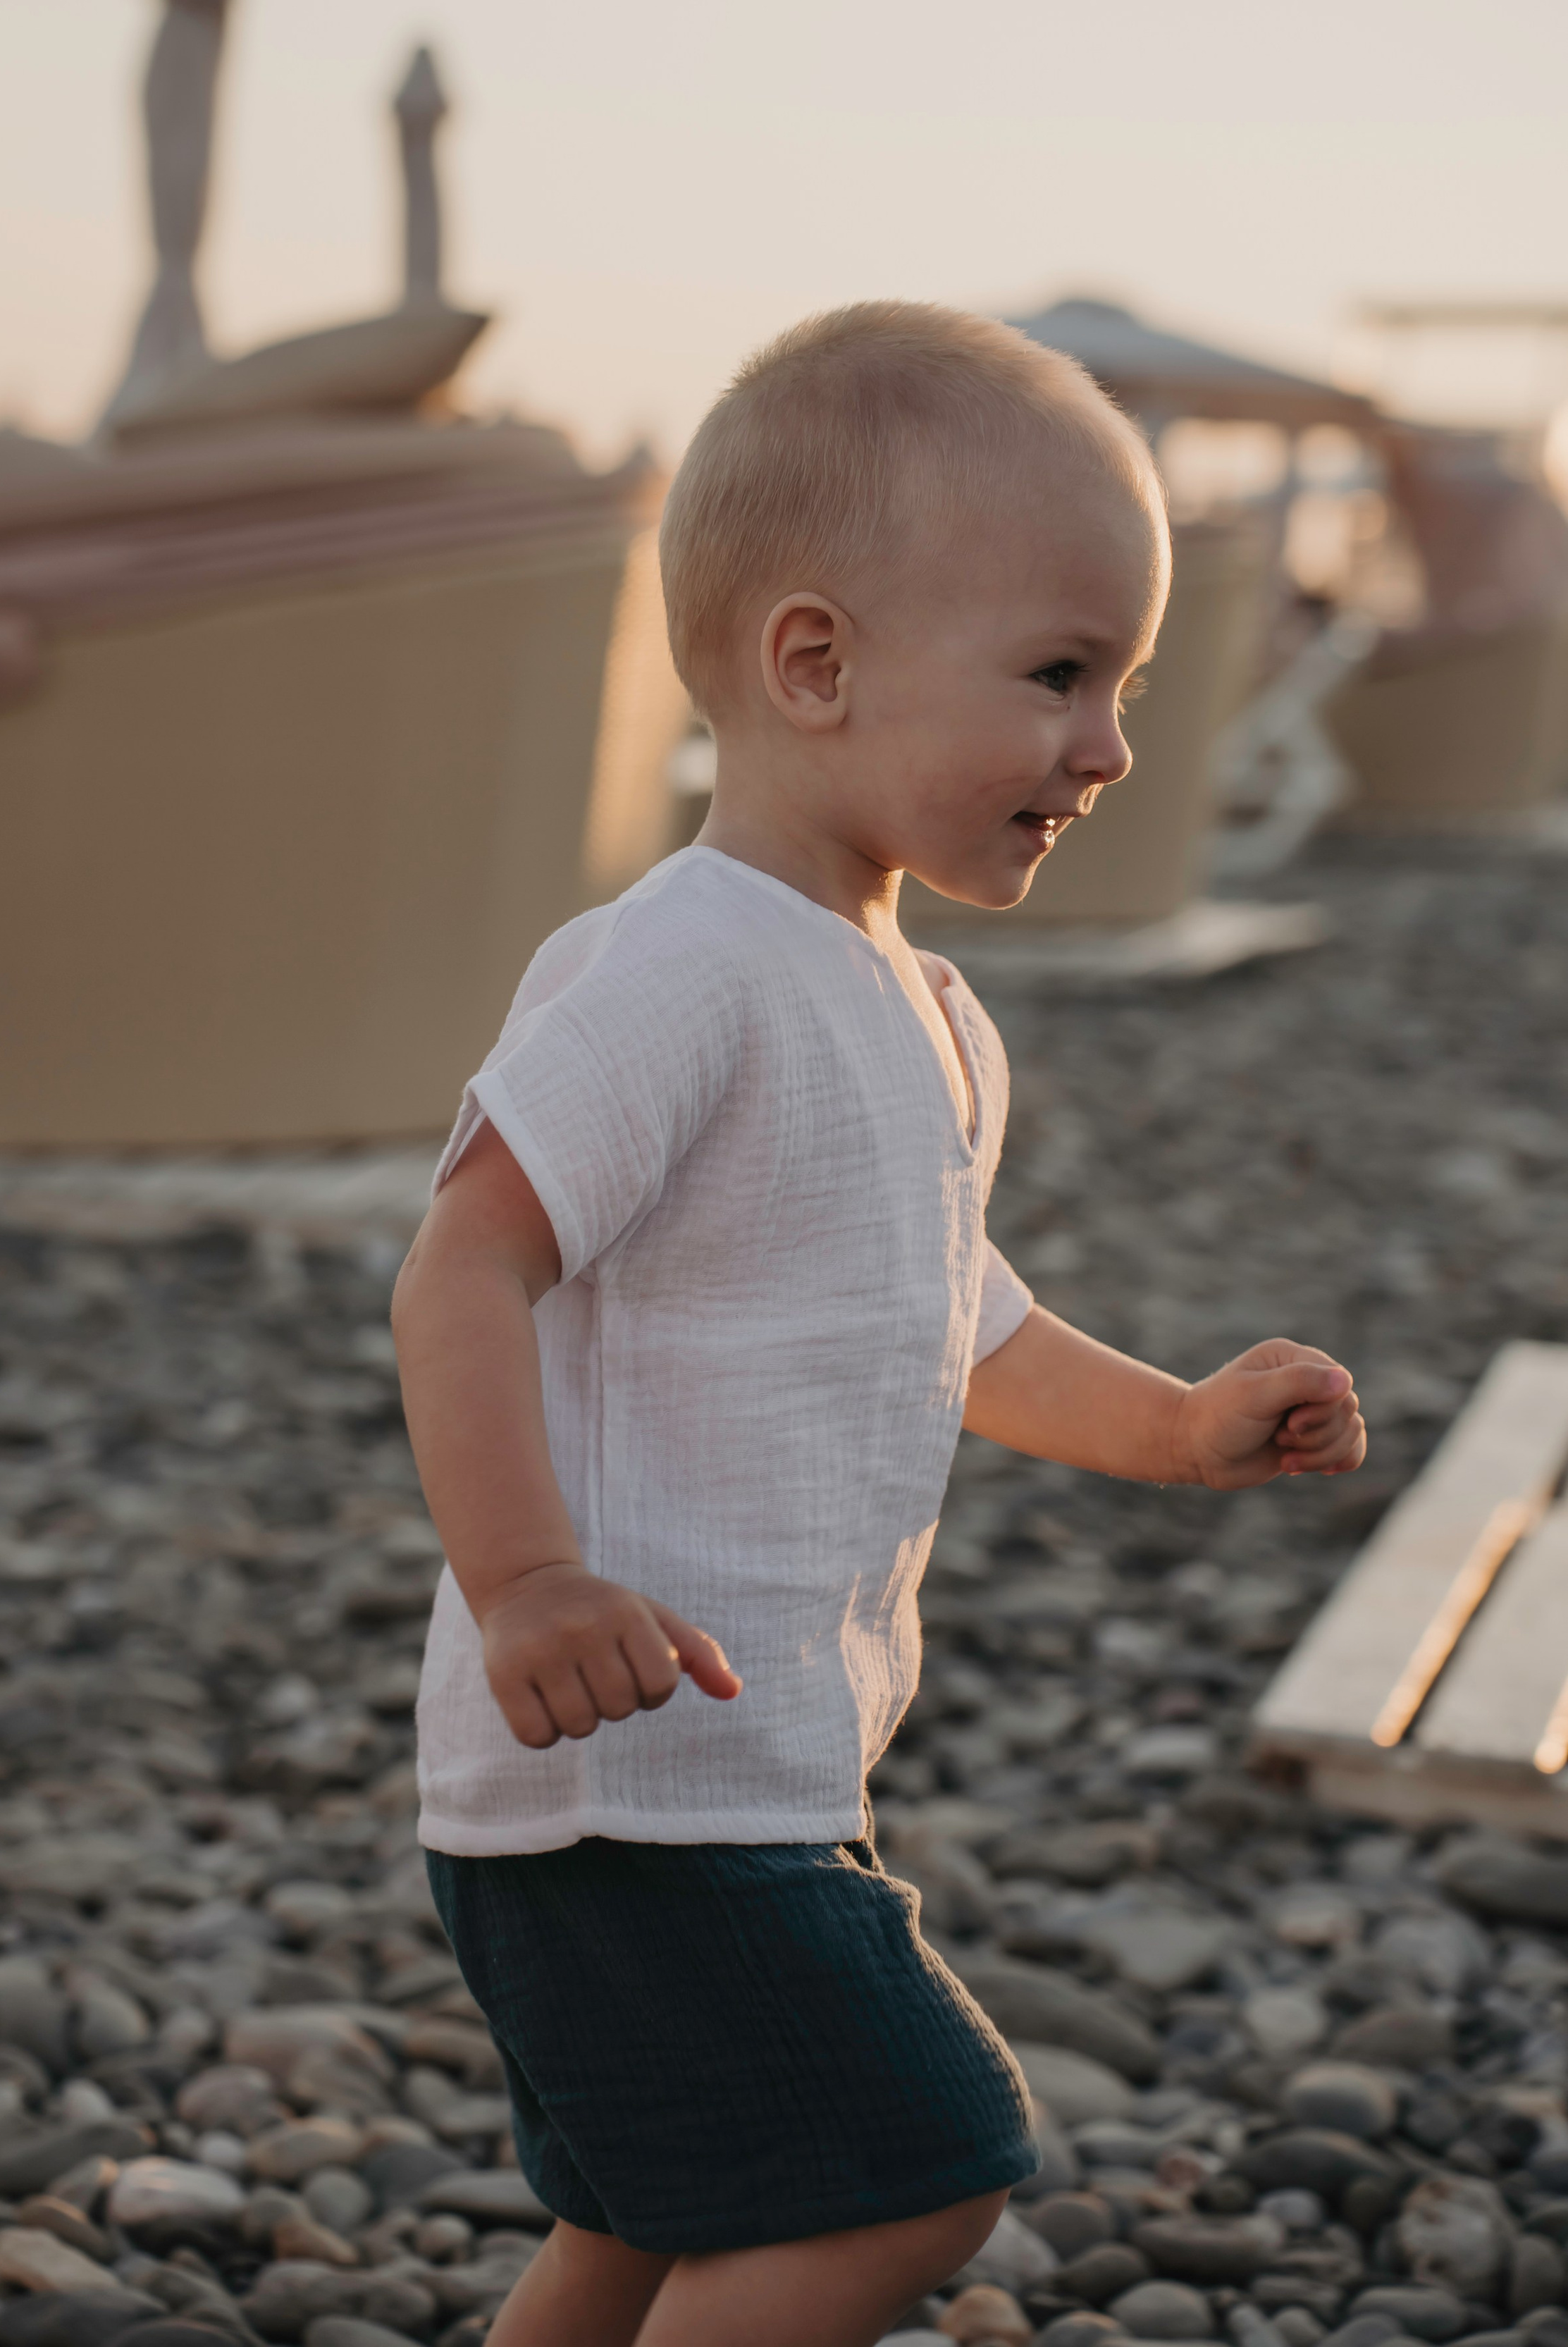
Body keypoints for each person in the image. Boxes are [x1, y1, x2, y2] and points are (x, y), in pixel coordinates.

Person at [391, 303, 1366, 2347]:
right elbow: (463, 1264)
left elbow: (961, 1322)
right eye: (1059, 674)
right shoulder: (682, 965)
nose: (1109, 747)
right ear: (815, 665)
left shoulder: (922, 1008)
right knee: (918, 2166)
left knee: (654, 2216)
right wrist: (527, 1581)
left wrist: (1173, 1425)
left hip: (739, 1766)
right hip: (625, 1773)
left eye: (1126, 686)